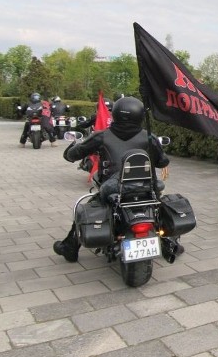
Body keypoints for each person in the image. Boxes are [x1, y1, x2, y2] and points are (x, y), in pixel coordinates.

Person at [53, 96, 170, 262]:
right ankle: (170, 242)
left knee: (92, 205)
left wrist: (72, 148)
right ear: (140, 115)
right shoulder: (149, 136)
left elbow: (73, 155)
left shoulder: (102, 136)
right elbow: (163, 161)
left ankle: (69, 248)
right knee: (158, 205)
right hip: (147, 185)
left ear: (114, 113)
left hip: (113, 187)